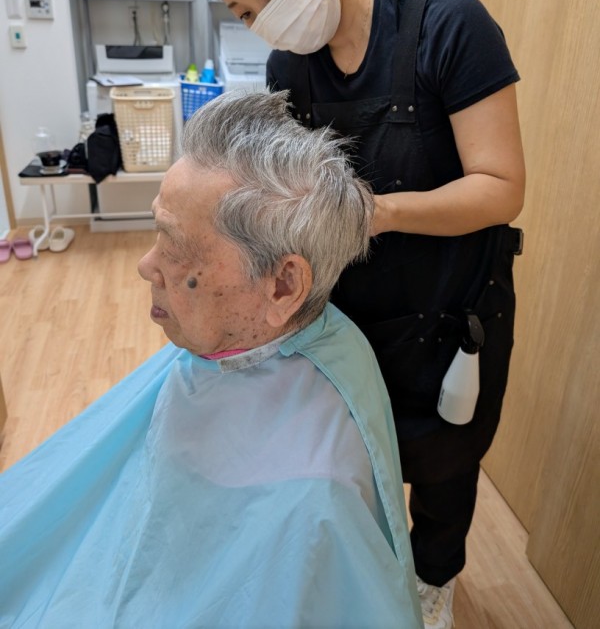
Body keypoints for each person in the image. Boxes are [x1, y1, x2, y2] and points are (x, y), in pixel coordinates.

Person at [196, 0, 526, 629]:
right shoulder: (290, 68)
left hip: (450, 306)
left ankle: (434, 580)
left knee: (444, 466)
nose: (265, 22)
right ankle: (365, 580)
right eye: (244, 11)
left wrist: (378, 212)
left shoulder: (448, 24)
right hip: (349, 311)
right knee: (350, 457)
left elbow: (501, 187)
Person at [0, 90, 423, 629]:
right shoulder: (262, 334)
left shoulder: (312, 499)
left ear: (283, 285)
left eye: (173, 245)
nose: (145, 265)